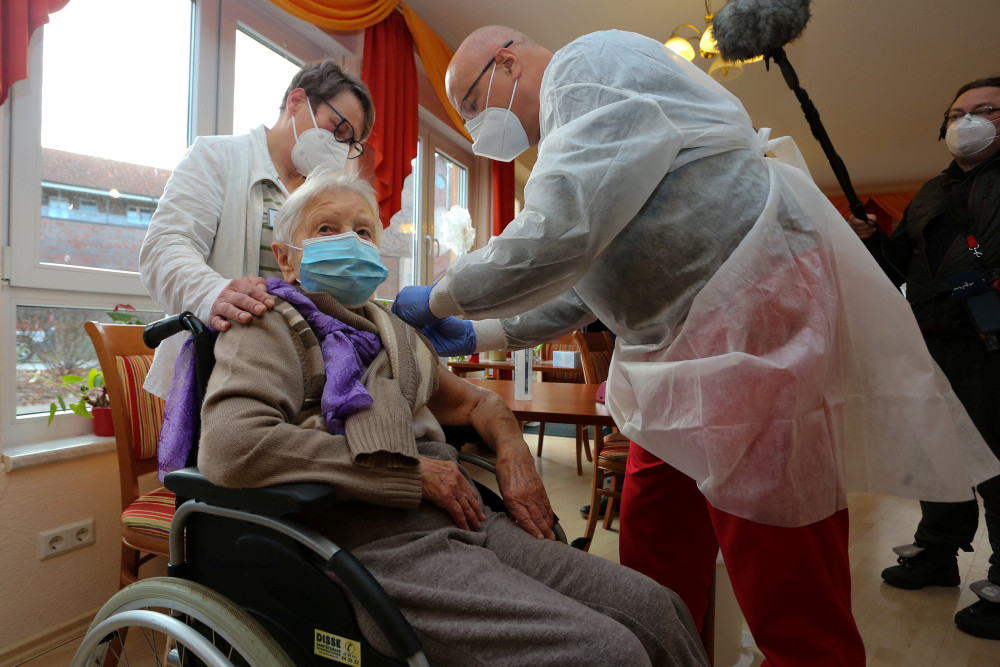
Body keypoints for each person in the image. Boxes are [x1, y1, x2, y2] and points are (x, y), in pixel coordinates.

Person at [391, 27, 1000, 666]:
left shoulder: (589, 64)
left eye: (470, 105)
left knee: (783, 569)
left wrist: (439, 297)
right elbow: (590, 283)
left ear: (506, 61)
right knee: (654, 550)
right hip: (679, 362)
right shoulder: (582, 142)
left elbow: (559, 234)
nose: (477, 127)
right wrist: (479, 331)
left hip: (750, 334)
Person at [195, 166, 708, 666]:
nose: (349, 241)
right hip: (374, 541)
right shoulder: (269, 326)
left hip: (466, 519)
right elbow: (231, 444)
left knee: (658, 610)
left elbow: (478, 403)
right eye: (327, 229)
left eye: (364, 231)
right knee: (607, 652)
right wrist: (408, 473)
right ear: (286, 258)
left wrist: (513, 453)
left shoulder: (392, 333)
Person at [848, 77, 1000, 640]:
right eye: (958, 113)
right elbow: (897, 267)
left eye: (986, 110)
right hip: (933, 340)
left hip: (991, 344)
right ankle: (938, 551)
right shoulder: (931, 191)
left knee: (996, 457)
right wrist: (869, 239)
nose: (968, 121)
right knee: (938, 451)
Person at [139, 58, 374, 399]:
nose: (339, 147)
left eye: (350, 142)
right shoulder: (218, 158)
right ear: (296, 102)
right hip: (222, 374)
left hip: (300, 378)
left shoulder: (324, 197)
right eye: (336, 129)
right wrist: (211, 293)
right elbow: (165, 248)